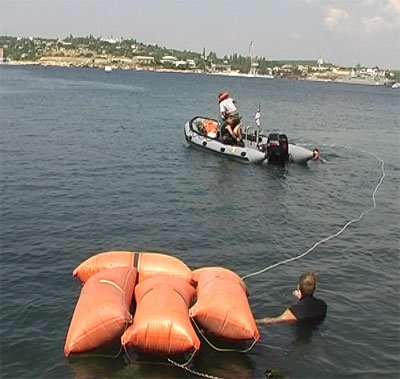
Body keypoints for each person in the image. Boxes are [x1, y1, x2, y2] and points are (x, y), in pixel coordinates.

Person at [257, 272, 327, 324]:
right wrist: (301, 297)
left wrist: (255, 321)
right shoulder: (323, 305)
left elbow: (272, 321)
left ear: (298, 287)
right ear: (314, 288)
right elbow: (308, 304)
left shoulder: (294, 311)